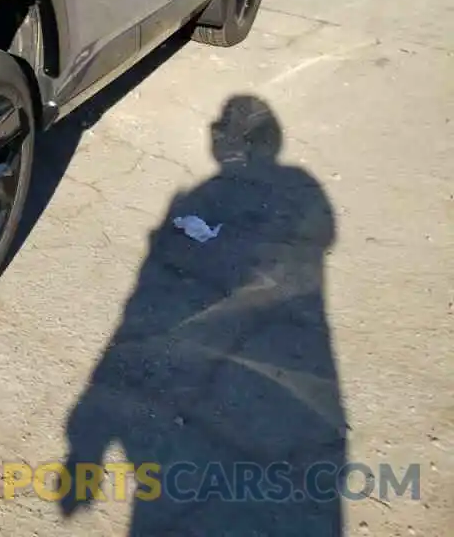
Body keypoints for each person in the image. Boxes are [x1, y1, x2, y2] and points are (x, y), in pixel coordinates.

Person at [61, 94, 346, 535]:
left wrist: (86, 446)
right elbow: (324, 232)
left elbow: (320, 232)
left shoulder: (234, 191)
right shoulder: (295, 186)